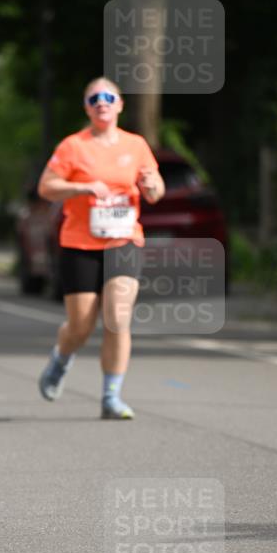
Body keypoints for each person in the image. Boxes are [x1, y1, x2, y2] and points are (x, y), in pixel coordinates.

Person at [37, 77, 165, 419]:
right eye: (94, 98)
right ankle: (61, 358)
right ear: (87, 107)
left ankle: (111, 396)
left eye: (109, 97)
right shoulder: (72, 146)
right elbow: (47, 187)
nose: (102, 102)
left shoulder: (135, 144)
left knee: (117, 317)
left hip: (123, 240)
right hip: (79, 242)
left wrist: (152, 185)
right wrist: (83, 188)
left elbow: (154, 190)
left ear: (120, 104)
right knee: (80, 326)